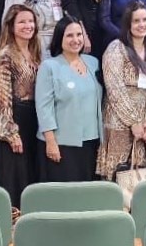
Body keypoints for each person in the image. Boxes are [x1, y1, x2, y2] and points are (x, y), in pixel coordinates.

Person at [96, 1, 146, 179]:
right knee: (121, 177)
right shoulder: (116, 49)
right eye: (136, 21)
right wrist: (133, 122)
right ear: (128, 24)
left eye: (145, 19)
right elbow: (114, 88)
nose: (142, 24)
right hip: (121, 122)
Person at [36, 16, 103, 181]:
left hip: (92, 141)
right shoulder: (49, 66)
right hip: (62, 143)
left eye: (79, 35)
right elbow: (44, 108)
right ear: (60, 38)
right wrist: (50, 141)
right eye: (70, 35)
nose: (76, 40)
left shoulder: (93, 62)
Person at [0, 4, 43, 207]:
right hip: (15, 120)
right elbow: (1, 97)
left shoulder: (35, 52)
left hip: (33, 120)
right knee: (16, 180)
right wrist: (10, 133)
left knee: (31, 178)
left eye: (31, 21)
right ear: (11, 26)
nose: (28, 25)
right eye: (22, 22)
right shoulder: (5, 55)